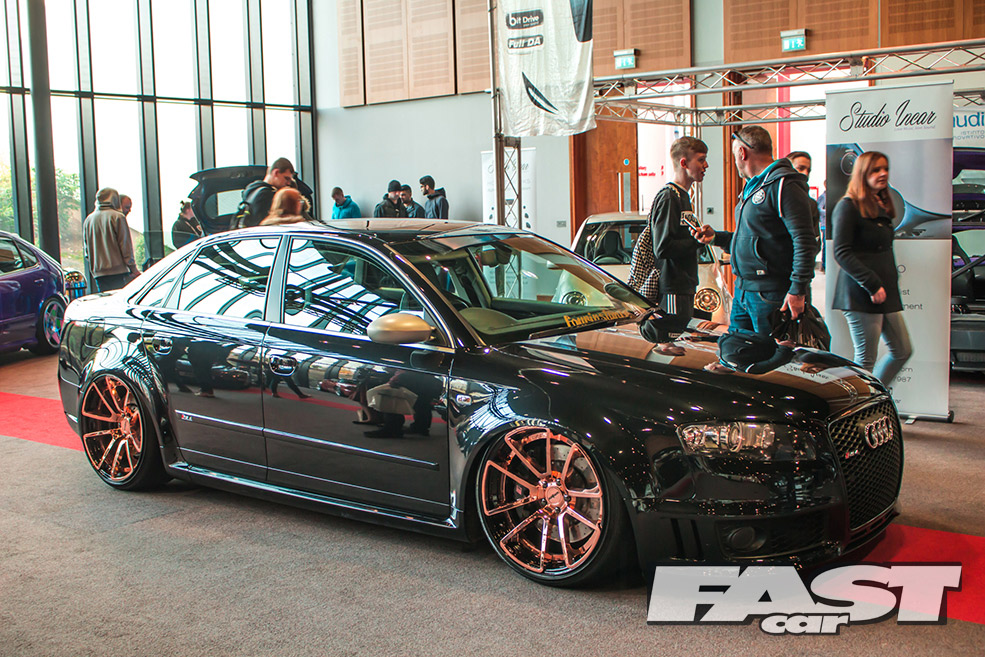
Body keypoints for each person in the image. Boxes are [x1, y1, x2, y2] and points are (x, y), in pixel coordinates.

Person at [693, 126, 816, 335]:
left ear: (742, 152)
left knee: (771, 353)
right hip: (744, 290)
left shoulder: (784, 185)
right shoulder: (752, 187)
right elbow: (756, 238)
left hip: (771, 293)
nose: (735, 161)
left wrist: (798, 289)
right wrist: (717, 238)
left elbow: (804, 241)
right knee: (736, 349)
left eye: (734, 155)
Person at [831, 151, 911, 386]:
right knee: (865, 360)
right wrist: (872, 284)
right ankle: (860, 405)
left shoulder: (879, 204)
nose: (883, 174)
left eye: (885, 169)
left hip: (884, 293)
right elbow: (842, 252)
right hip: (862, 294)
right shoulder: (847, 206)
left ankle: (874, 396)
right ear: (862, 173)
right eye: (876, 170)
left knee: (902, 350)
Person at [647, 136, 710, 354]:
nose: (705, 166)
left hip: (684, 283)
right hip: (672, 285)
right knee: (668, 337)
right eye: (700, 160)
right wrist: (696, 241)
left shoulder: (683, 197)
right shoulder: (669, 197)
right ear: (684, 163)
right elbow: (662, 247)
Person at [82, 187, 139, 292]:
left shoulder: (89, 219)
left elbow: (87, 251)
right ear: (114, 199)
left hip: (98, 273)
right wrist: (133, 269)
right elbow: (125, 247)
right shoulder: (118, 217)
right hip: (118, 272)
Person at [240, 157, 295, 228]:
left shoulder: (251, 190)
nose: (288, 183)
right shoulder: (268, 194)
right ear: (276, 172)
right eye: (286, 178)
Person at [786, 150, 821, 257]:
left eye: (808, 170)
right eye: (800, 168)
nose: (805, 173)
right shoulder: (774, 198)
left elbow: (815, 241)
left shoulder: (811, 204)